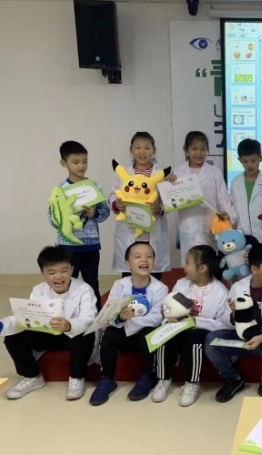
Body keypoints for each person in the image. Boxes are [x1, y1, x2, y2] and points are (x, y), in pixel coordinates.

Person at [1, 246, 97, 400]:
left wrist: (69, 325)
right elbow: (27, 318)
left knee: (87, 334)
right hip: (47, 335)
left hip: (72, 336)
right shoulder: (38, 291)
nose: (58, 277)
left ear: (72, 269)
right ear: (43, 274)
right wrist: (3, 325)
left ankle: (77, 377)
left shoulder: (84, 290)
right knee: (13, 337)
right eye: (51, 273)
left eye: (64, 271)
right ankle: (32, 376)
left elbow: (89, 318)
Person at [89, 242, 168, 406]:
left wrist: (129, 321)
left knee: (148, 333)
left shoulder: (160, 288)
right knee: (109, 334)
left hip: (144, 337)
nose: (144, 260)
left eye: (149, 256)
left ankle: (147, 376)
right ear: (127, 264)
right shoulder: (119, 285)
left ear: (154, 263)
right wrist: (120, 318)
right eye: (137, 256)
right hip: (123, 333)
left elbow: (156, 318)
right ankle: (107, 378)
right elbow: (109, 311)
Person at [206, 244, 262, 401]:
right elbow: (224, 318)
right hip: (241, 339)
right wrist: (234, 315)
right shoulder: (238, 287)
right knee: (211, 340)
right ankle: (233, 379)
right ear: (254, 269)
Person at [151, 245, 231, 407]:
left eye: (188, 263)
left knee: (194, 340)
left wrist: (197, 322)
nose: (184, 267)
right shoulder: (181, 284)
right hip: (179, 326)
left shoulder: (220, 292)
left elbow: (223, 324)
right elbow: (169, 306)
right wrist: (170, 318)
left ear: (202, 268)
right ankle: (163, 379)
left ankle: (192, 383)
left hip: (202, 331)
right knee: (164, 336)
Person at [49, 141, 110, 309]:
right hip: (67, 246)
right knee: (67, 284)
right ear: (64, 163)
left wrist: (95, 214)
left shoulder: (95, 187)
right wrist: (65, 218)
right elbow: (52, 218)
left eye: (85, 161)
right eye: (76, 162)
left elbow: (105, 212)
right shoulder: (60, 190)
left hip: (91, 246)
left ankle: (96, 318)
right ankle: (65, 316)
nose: (81, 166)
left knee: (92, 284)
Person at [108, 132, 171, 280]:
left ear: (154, 150)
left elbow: (169, 200)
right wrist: (117, 204)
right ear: (131, 150)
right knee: (129, 272)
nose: (142, 152)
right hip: (129, 230)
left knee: (153, 272)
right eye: (137, 148)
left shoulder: (162, 174)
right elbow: (112, 195)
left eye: (147, 148)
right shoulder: (123, 173)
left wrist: (160, 209)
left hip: (151, 231)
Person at [172, 131, 233, 261]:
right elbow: (171, 200)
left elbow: (223, 198)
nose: (198, 153)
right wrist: (168, 183)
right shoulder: (177, 172)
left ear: (207, 150)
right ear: (186, 150)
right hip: (187, 225)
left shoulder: (214, 172)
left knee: (208, 262)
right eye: (194, 149)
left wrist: (227, 214)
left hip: (210, 225)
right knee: (191, 263)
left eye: (202, 149)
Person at [229, 139, 262, 242]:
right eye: (245, 161)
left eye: (253, 161)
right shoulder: (235, 183)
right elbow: (232, 206)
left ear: (261, 158)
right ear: (239, 160)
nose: (249, 165)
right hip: (242, 236)